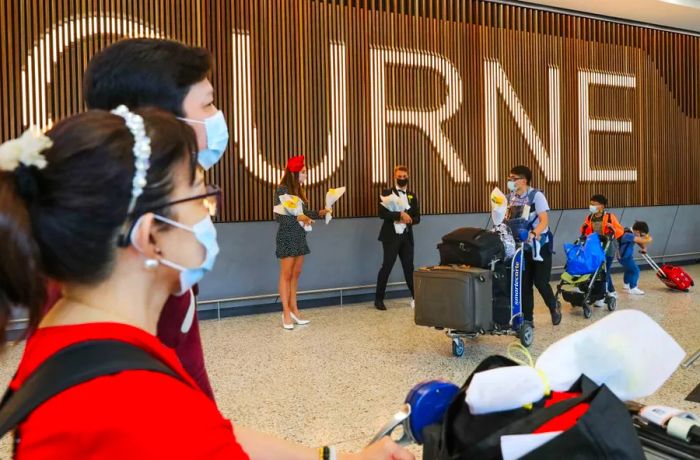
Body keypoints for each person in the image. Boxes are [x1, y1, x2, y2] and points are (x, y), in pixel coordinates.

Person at [0, 108, 412, 459]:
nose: (208, 214)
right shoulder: (130, 399)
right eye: (199, 197)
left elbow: (213, 434)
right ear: (150, 235)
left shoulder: (70, 331)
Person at [73, 37, 225, 399]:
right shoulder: (127, 279)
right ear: (161, 123)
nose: (218, 117)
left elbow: (195, 412)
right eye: (208, 105)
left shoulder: (163, 259)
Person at [275, 155, 329, 330]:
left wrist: (320, 213)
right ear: (295, 172)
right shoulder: (281, 190)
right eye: (304, 172)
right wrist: (300, 217)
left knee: (296, 273)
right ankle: (285, 312)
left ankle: (294, 309)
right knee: (286, 274)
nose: (306, 175)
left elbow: (304, 213)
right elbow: (280, 217)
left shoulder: (299, 191)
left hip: (299, 236)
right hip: (287, 236)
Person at [505, 165, 561, 326]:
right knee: (525, 284)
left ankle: (553, 305)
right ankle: (528, 320)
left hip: (539, 245)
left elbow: (544, 220)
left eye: (513, 178)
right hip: (521, 246)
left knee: (541, 282)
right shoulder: (511, 198)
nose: (510, 181)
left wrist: (533, 234)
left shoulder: (536, 196)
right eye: (509, 178)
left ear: (523, 180)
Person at [375, 166, 420, 311]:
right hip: (391, 237)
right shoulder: (387, 193)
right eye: (399, 176)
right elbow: (382, 214)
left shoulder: (412, 195)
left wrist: (410, 220)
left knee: (409, 268)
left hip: (407, 237)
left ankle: (416, 298)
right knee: (387, 266)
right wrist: (399, 215)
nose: (402, 179)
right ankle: (379, 299)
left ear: (408, 176)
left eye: (404, 176)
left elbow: (418, 217)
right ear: (395, 177)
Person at [579, 194, 624, 306]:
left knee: (604, 271)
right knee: (598, 271)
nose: (592, 206)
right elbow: (586, 232)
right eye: (591, 204)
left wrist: (613, 228)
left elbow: (620, 231)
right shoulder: (590, 217)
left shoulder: (609, 216)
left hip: (608, 248)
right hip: (595, 248)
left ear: (602, 206)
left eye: (594, 204)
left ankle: (606, 294)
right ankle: (607, 292)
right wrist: (583, 227)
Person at [618, 221, 653, 295]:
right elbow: (641, 240)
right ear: (637, 231)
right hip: (624, 257)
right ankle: (633, 288)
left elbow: (638, 241)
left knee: (629, 270)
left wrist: (644, 247)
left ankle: (626, 284)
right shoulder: (628, 235)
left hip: (626, 256)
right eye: (641, 234)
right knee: (635, 270)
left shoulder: (631, 233)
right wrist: (649, 239)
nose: (641, 236)